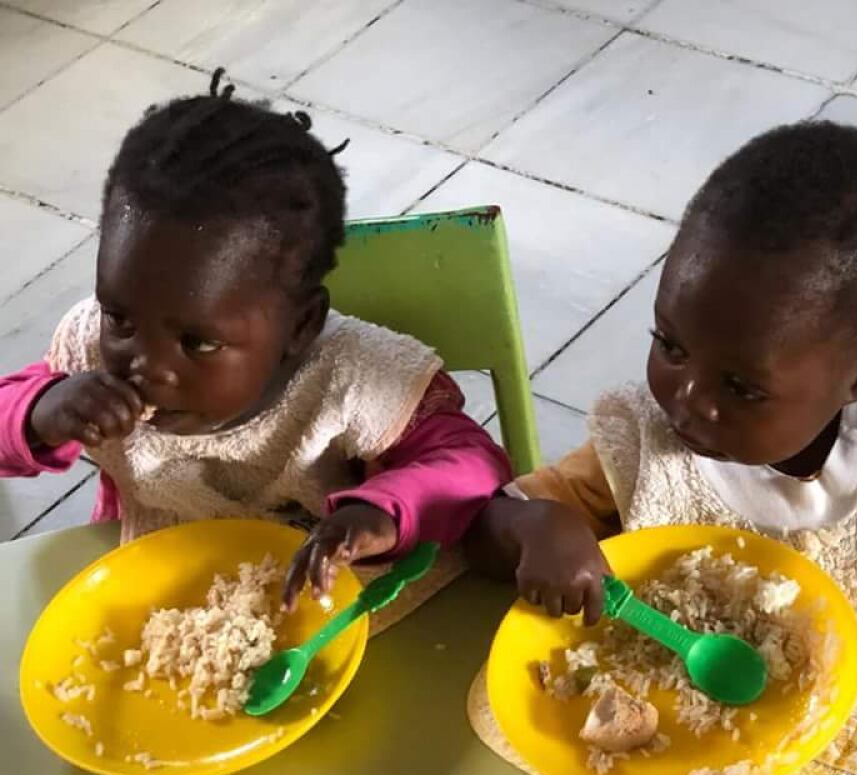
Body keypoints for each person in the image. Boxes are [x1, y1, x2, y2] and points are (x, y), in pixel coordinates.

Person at [467, 120, 857, 775]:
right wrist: (535, 522)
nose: (688, 402)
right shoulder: (639, 441)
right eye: (669, 344)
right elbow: (496, 526)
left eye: (743, 386)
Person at [0, 69, 511, 607]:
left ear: (299, 327)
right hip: (154, 585)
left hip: (324, 597)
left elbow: (471, 462)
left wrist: (382, 511)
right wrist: (41, 412)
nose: (145, 365)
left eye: (197, 343)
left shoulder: (348, 378)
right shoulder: (87, 354)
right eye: (121, 321)